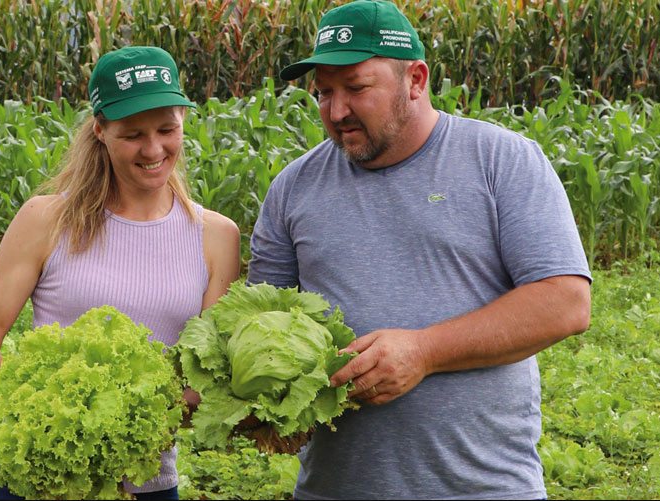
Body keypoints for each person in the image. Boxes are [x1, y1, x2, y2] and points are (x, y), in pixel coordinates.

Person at [247, 1, 592, 499]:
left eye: (356, 88)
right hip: (336, 488)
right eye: (323, 92)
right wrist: (260, 402)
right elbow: (261, 321)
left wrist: (425, 352)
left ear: (415, 79)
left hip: (483, 487)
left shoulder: (501, 160)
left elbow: (565, 302)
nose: (336, 110)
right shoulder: (294, 188)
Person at [0, 46, 240, 501]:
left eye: (167, 129)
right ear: (100, 129)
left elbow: (208, 383)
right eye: (132, 134)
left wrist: (122, 422)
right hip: (38, 481)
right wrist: (63, 413)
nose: (153, 149)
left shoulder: (216, 237)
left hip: (148, 486)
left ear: (184, 118)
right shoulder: (47, 220)